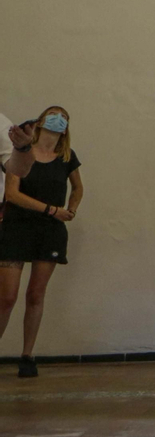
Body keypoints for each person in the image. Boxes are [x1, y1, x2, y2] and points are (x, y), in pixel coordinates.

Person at [0, 108, 84, 379]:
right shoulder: (22, 150)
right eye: (53, 114)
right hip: (16, 228)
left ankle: (27, 355)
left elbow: (78, 187)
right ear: (40, 121)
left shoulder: (67, 158)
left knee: (36, 295)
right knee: (7, 297)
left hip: (49, 233)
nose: (58, 118)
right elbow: (11, 193)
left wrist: (71, 208)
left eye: (63, 116)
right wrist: (50, 209)